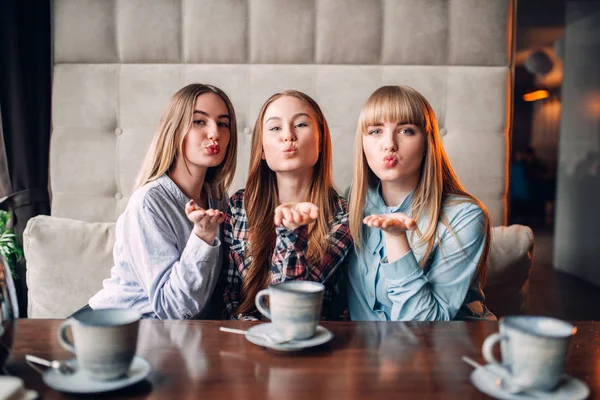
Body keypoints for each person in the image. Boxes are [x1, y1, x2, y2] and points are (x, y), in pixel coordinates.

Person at [345, 85, 495, 321]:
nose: (389, 144)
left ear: (427, 143)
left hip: (444, 350)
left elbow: (424, 326)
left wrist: (396, 238)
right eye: (375, 131)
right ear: (362, 144)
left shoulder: (465, 216)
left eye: (406, 131)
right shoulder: (354, 202)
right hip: (368, 352)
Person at [89, 83, 237, 319]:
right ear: (176, 129)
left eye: (223, 124)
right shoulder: (149, 202)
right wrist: (202, 236)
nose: (214, 133)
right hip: (115, 328)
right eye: (199, 121)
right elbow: (172, 307)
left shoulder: (218, 198)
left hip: (173, 334)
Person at [221, 90, 352, 320]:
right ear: (261, 150)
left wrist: (292, 232)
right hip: (245, 340)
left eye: (301, 124)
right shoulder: (238, 206)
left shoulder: (342, 214)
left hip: (313, 343)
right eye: (275, 128)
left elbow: (294, 306)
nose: (288, 136)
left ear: (320, 141)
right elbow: (229, 295)